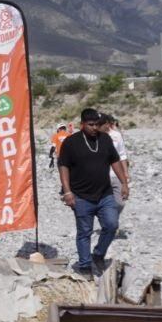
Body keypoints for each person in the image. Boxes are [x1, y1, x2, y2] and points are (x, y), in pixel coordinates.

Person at [59, 108, 128, 272]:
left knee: (111, 225)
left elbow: (115, 160)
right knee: (84, 232)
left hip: (105, 193)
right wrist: (67, 192)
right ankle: (85, 266)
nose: (95, 128)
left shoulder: (105, 139)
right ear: (82, 124)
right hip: (81, 195)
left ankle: (98, 254)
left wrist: (124, 183)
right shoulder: (71, 142)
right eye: (91, 125)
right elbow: (63, 166)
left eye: (97, 124)